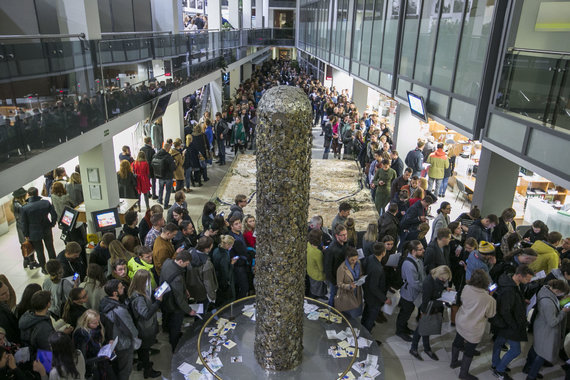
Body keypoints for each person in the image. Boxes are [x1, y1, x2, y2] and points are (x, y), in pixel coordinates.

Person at [451, 269, 497, 380]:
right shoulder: (489, 299)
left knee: (458, 340)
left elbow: (463, 300)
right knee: (470, 350)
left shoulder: (466, 288)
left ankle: (454, 362)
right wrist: (490, 295)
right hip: (474, 328)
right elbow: (490, 314)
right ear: (486, 282)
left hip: (461, 321)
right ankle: (463, 373)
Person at [491, 265, 535, 379]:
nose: (529, 281)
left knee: (499, 342)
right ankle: (499, 370)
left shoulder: (511, 282)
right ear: (519, 276)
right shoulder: (509, 290)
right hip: (509, 324)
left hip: (503, 323)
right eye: (527, 279)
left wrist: (521, 300)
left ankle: (495, 364)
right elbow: (506, 311)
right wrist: (514, 325)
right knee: (515, 350)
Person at [523, 279, 570, 380]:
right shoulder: (547, 302)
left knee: (535, 348)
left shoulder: (545, 290)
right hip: (546, 330)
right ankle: (531, 376)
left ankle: (527, 367)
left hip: (540, 326)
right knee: (542, 354)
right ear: (557, 291)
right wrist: (564, 311)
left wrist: (562, 300)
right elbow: (553, 322)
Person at [409, 265, 451, 361]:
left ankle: (424, 348)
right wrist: (443, 302)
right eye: (443, 279)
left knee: (424, 328)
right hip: (427, 309)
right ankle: (415, 348)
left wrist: (445, 289)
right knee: (421, 329)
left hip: (432, 308)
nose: (444, 281)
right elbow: (426, 301)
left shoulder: (436, 278)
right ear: (439, 274)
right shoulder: (428, 282)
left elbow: (438, 288)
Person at [99, 280, 138, 379]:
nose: (124, 288)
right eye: (121, 287)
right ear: (115, 293)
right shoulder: (119, 310)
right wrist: (136, 335)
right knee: (125, 370)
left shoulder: (104, 302)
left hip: (111, 341)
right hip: (122, 344)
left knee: (116, 368)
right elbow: (130, 329)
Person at [128, 270, 162, 378]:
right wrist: (158, 302)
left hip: (144, 327)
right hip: (144, 328)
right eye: (147, 280)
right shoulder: (138, 298)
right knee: (145, 350)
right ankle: (148, 370)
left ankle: (142, 363)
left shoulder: (140, 291)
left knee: (143, 350)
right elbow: (146, 314)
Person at [159, 251, 196, 351]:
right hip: (174, 304)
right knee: (176, 325)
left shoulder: (167, 262)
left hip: (165, 298)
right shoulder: (177, 278)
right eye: (186, 263)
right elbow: (179, 299)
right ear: (180, 261)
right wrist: (189, 310)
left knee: (167, 319)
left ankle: (169, 331)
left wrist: (185, 289)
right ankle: (175, 346)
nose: (187, 266)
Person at [22, 186, 58, 273]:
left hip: (33, 231)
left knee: (39, 251)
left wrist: (26, 234)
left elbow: (24, 223)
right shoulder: (45, 203)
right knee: (50, 248)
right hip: (46, 227)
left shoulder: (25, 208)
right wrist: (52, 223)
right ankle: (54, 266)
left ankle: (44, 268)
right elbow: (54, 214)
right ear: (37, 193)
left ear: (28, 195)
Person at [396, 240, 425, 342]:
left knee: (409, 311)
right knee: (405, 313)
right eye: (420, 249)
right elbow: (414, 283)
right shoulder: (409, 264)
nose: (423, 250)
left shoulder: (418, 259)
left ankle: (405, 328)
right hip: (409, 293)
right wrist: (425, 288)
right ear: (413, 251)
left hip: (415, 293)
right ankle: (400, 331)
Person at [73, 309, 115, 379]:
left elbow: (97, 346)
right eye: (94, 323)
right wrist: (102, 357)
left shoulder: (94, 330)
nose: (98, 324)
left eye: (98, 321)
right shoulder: (81, 335)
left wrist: (108, 346)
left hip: (99, 365)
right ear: (86, 322)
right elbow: (83, 361)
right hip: (91, 371)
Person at [361, 243, 390, 334]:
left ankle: (362, 329)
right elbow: (373, 287)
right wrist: (384, 299)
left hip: (367, 294)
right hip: (374, 298)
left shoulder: (370, 258)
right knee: (371, 317)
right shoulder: (377, 268)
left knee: (366, 313)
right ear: (383, 253)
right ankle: (366, 335)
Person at [334, 247, 363, 319]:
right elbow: (339, 283)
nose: (354, 261)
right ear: (347, 258)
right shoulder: (342, 268)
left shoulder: (358, 263)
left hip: (357, 290)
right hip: (347, 293)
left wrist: (362, 278)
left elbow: (360, 273)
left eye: (356, 259)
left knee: (356, 309)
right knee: (349, 312)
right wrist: (349, 286)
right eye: (352, 259)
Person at [324, 225, 349, 306]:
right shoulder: (331, 250)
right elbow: (327, 269)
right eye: (343, 235)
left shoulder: (345, 244)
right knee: (333, 296)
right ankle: (331, 311)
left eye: (346, 234)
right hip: (335, 279)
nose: (345, 237)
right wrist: (334, 282)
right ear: (336, 236)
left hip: (343, 275)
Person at [212, 235, 236, 308]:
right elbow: (226, 273)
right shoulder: (224, 256)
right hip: (224, 282)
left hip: (216, 278)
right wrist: (232, 264)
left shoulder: (216, 250)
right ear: (228, 245)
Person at [153, 142, 177, 209]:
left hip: (160, 175)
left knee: (161, 189)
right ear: (167, 148)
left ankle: (160, 200)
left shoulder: (157, 154)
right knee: (168, 191)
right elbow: (172, 168)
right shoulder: (168, 157)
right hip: (168, 176)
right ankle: (166, 204)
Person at [307, 229, 327, 299]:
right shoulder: (318, 253)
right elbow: (321, 268)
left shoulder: (308, 245)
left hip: (310, 271)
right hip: (318, 276)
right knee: (318, 290)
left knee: (313, 287)